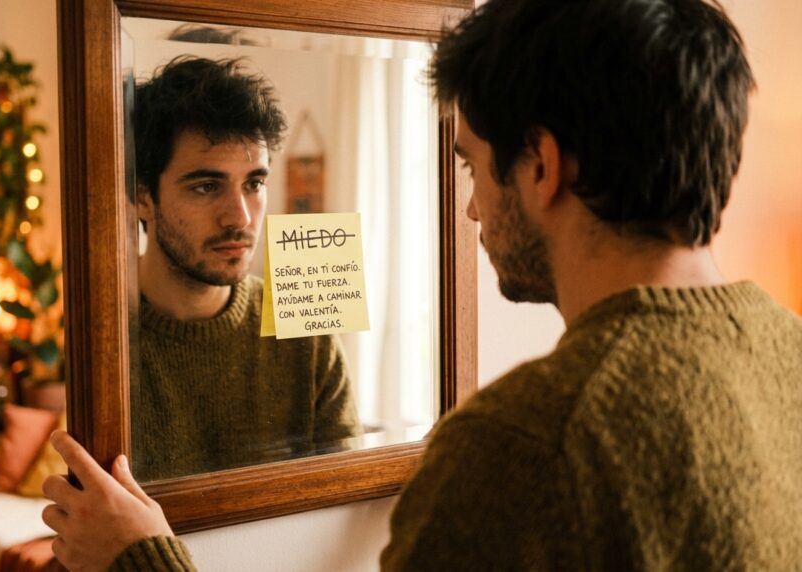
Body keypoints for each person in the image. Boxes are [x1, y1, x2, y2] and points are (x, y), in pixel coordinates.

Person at [42, 1, 802, 570]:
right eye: (207, 184)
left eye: (471, 164)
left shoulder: (522, 441)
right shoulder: (789, 351)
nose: (468, 205)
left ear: (541, 165)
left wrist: (141, 561)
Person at [129, 56, 361, 482]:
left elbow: (342, 503)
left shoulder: (304, 330)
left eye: (254, 184)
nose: (239, 217)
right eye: (206, 186)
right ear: (144, 197)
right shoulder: (109, 340)